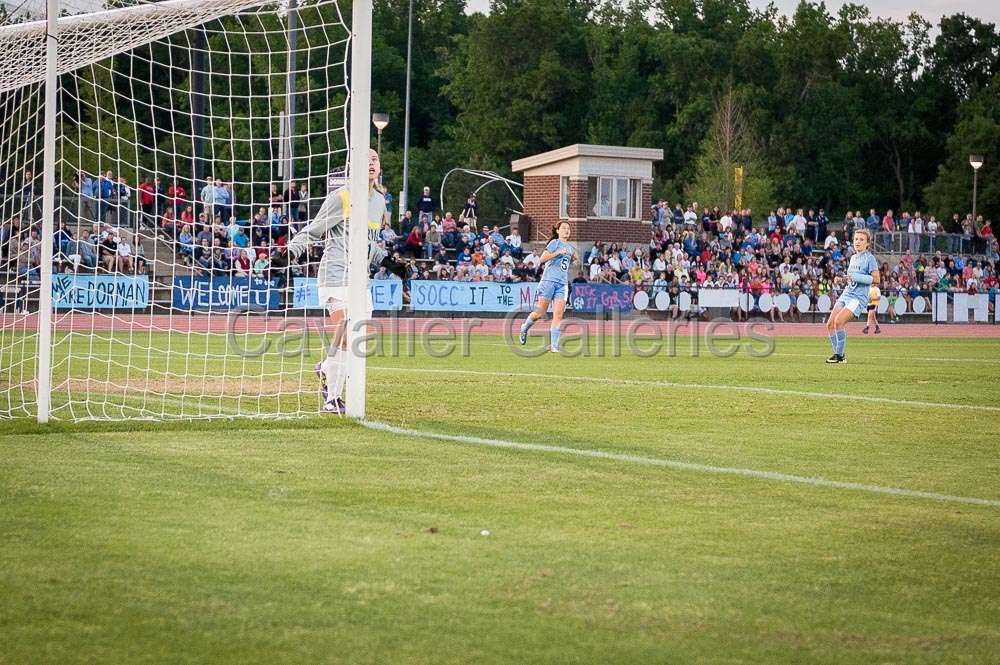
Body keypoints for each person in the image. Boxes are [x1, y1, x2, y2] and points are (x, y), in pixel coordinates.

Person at [281, 149, 396, 414]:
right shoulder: (341, 196)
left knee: (359, 339)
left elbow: (369, 244)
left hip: (360, 278)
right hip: (334, 274)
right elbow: (313, 229)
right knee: (344, 335)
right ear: (351, 166)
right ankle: (332, 398)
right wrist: (291, 251)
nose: (370, 163)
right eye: (364, 159)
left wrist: (392, 264)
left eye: (375, 159)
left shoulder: (379, 202)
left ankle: (325, 368)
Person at [518, 220, 577, 353]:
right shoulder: (554, 243)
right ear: (557, 231)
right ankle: (525, 327)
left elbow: (573, 258)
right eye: (563, 228)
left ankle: (554, 345)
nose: (566, 230)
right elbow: (542, 259)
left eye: (568, 228)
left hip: (562, 284)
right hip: (549, 281)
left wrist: (573, 257)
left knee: (559, 315)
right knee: (540, 313)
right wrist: (557, 253)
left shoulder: (570, 247)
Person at [825, 229, 879, 363]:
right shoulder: (853, 258)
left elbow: (876, 279)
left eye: (861, 240)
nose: (858, 242)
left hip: (858, 297)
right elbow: (851, 278)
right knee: (830, 324)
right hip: (847, 294)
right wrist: (841, 279)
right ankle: (838, 354)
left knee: (839, 322)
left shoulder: (869, 258)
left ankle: (839, 356)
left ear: (867, 244)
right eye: (856, 239)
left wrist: (856, 277)